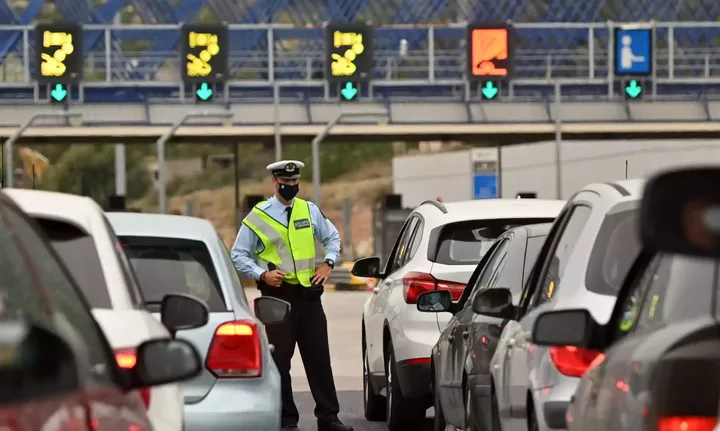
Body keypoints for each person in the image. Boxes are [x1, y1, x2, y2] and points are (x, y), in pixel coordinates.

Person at [231, 160, 353, 431]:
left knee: (319, 358)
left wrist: (328, 263)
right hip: (277, 297)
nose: (290, 187)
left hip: (308, 297)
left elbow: (332, 237)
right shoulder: (258, 215)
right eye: (285, 184)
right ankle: (287, 421)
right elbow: (238, 255)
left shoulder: (308, 210)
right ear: (275, 182)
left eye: (294, 183)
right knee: (280, 361)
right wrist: (262, 274)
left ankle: (328, 418)